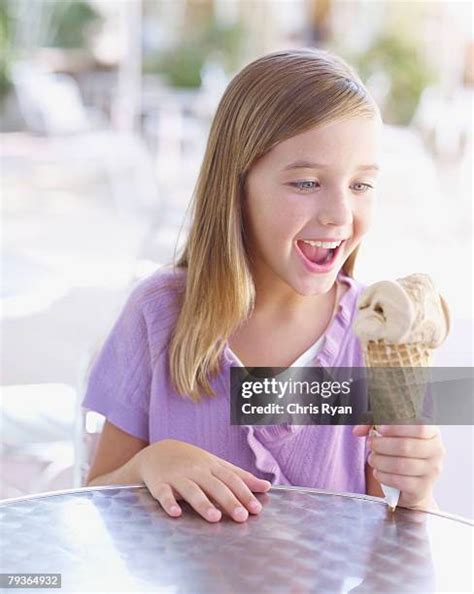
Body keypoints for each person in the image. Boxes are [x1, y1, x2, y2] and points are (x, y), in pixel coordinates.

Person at [82, 48, 446, 523]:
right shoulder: (159, 314)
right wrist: (149, 464)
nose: (339, 214)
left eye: (360, 185)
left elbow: (399, 531)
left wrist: (418, 496)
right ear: (237, 187)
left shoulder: (374, 334)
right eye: (307, 183)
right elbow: (90, 503)